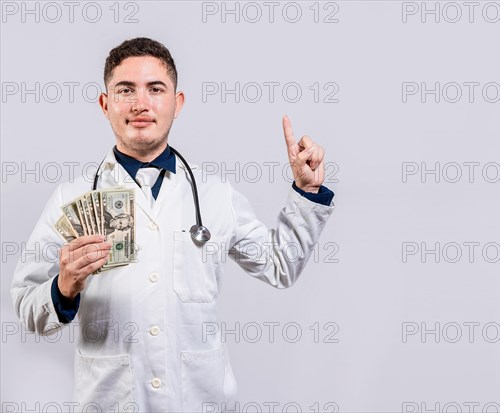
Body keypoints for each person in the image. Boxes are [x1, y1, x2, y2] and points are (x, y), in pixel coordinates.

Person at [11, 37, 335, 412]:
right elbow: (25, 304)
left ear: (177, 103)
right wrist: (63, 288)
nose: (140, 103)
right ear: (105, 104)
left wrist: (307, 192)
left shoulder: (215, 194)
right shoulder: (72, 197)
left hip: (199, 399)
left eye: (155, 89)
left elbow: (281, 265)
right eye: (125, 90)